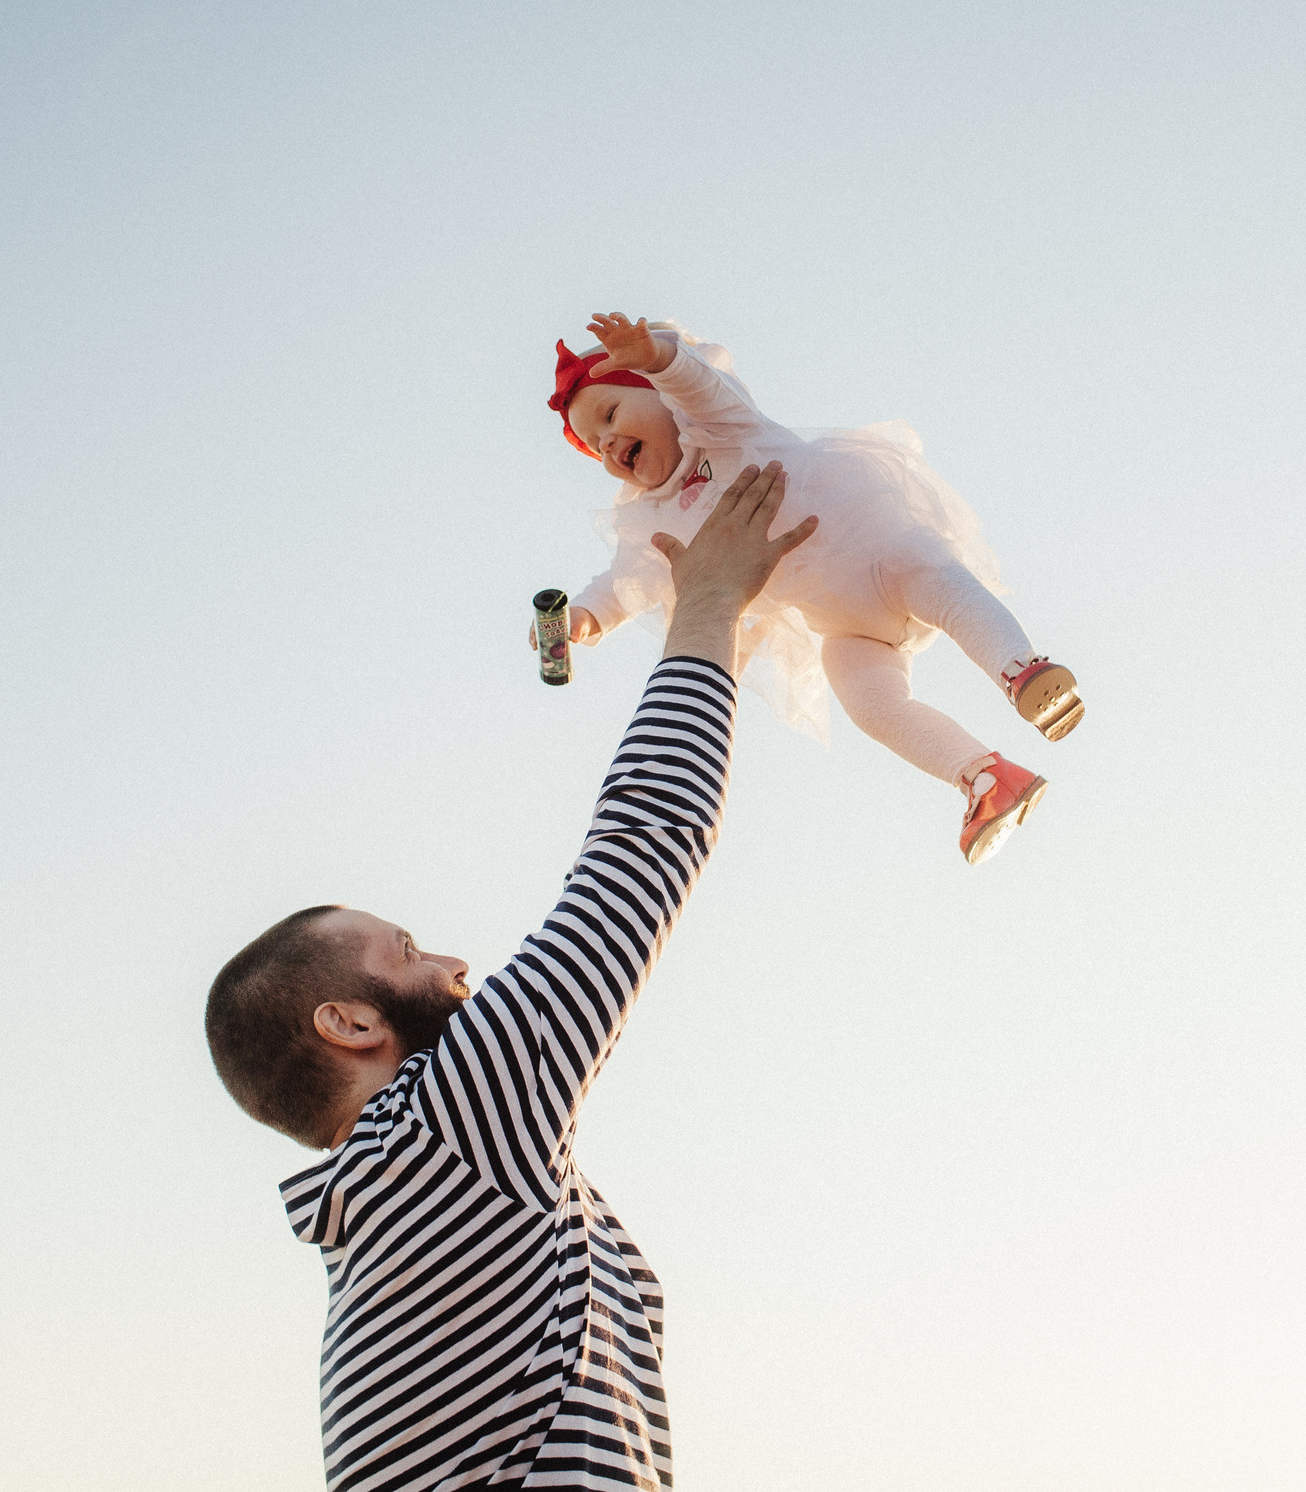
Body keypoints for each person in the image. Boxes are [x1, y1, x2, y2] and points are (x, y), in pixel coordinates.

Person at [204, 462, 815, 1492]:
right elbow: (638, 850)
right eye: (407, 951)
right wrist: (707, 602)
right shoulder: (436, 1140)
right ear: (347, 1023)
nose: (454, 964)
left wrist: (726, 640)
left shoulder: (397, 1212)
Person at [546, 311, 1082, 865]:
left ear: (658, 394)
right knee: (869, 705)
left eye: (611, 415)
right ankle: (986, 778)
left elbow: (697, 384)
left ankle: (1021, 669)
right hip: (847, 626)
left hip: (882, 556)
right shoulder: (652, 516)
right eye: (595, 446)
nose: (608, 444)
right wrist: (583, 617)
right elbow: (625, 581)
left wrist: (658, 358)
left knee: (942, 587)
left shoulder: (720, 426)